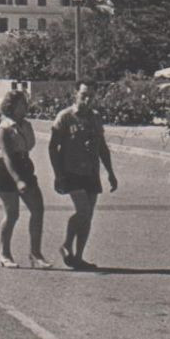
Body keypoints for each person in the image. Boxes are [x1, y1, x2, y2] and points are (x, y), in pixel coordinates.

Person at [48, 81, 119, 270]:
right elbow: (53, 147)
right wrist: (58, 174)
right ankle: (66, 244)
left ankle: (78, 257)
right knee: (83, 211)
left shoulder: (95, 118)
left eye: (91, 96)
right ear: (75, 94)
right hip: (71, 171)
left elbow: (102, 147)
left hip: (91, 172)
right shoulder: (64, 117)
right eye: (84, 95)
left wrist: (110, 172)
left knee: (88, 216)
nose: (87, 100)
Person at [0, 89, 51, 268]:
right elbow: (7, 157)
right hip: (8, 172)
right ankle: (4, 253)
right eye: (22, 104)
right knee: (12, 214)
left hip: (25, 167)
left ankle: (36, 254)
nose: (26, 107)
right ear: (11, 107)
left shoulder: (26, 125)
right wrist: (18, 180)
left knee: (38, 210)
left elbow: (28, 148)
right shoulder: (4, 128)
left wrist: (24, 173)